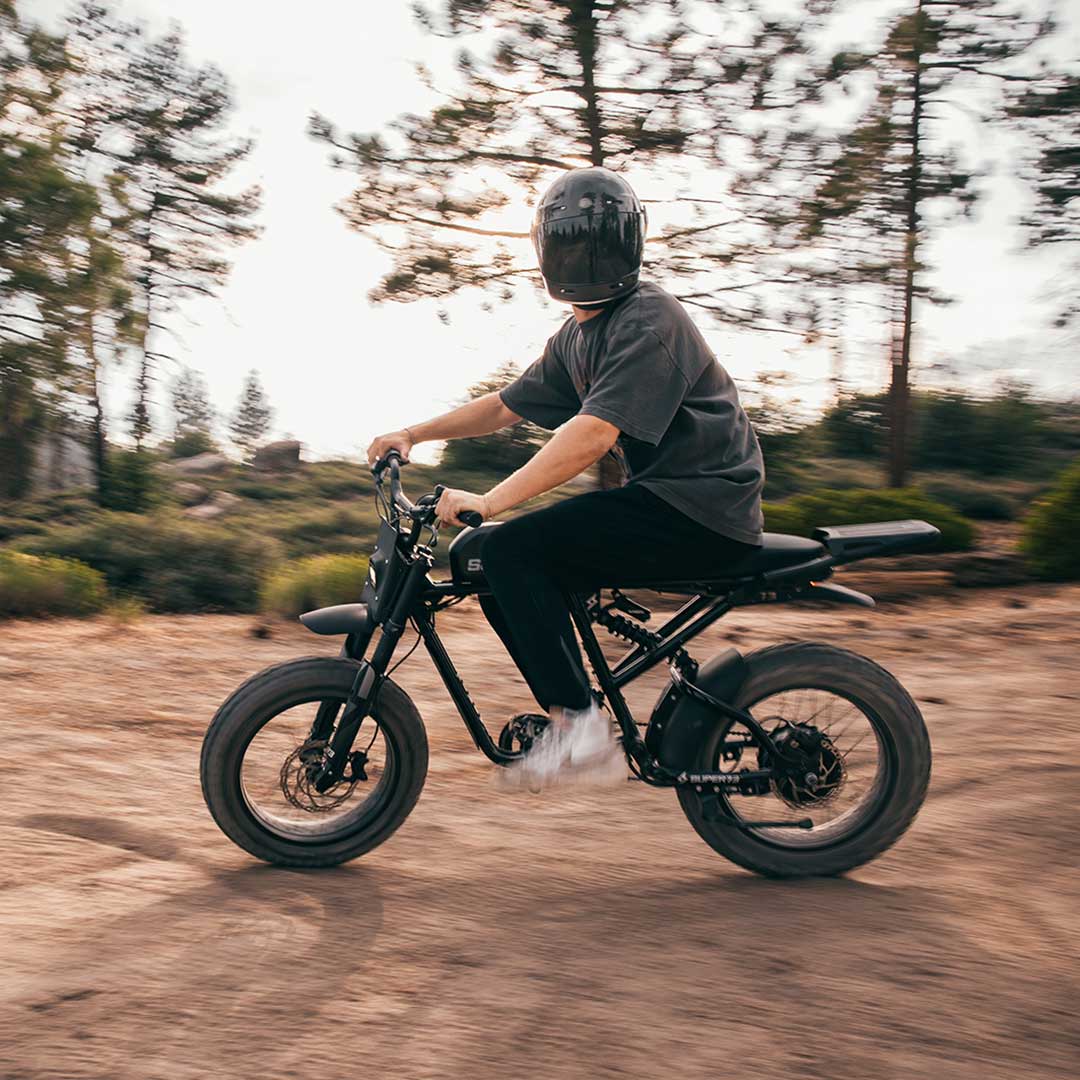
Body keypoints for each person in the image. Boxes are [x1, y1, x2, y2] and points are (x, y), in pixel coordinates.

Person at [367, 167, 764, 791]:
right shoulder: (579, 334)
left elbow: (594, 434)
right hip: (661, 503)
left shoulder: (648, 318)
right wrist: (414, 434)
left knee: (508, 546)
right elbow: (504, 405)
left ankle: (581, 729)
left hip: (701, 509)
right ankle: (576, 712)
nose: (586, 255)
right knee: (481, 555)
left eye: (595, 242)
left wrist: (492, 501)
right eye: (575, 243)